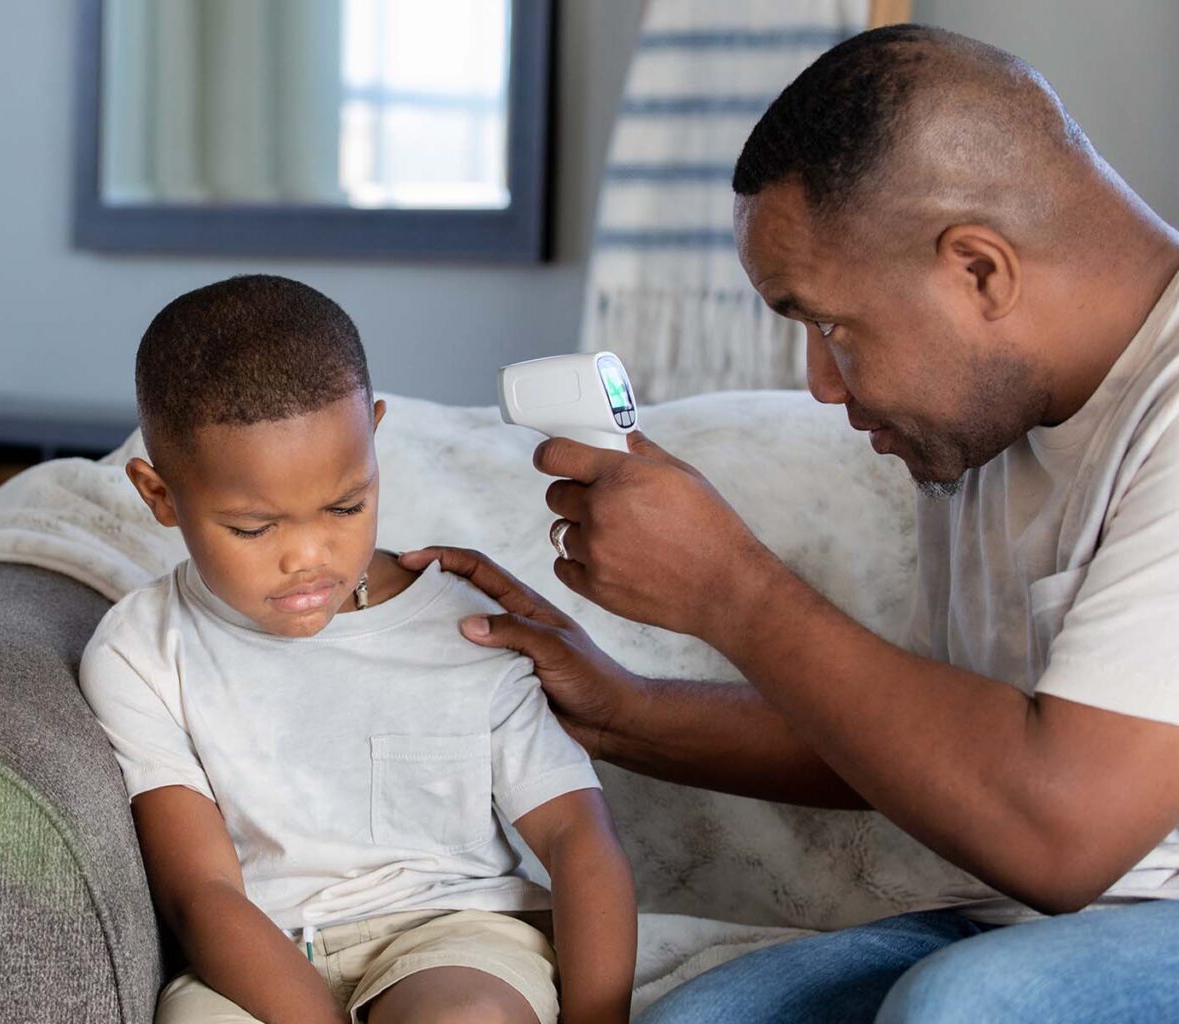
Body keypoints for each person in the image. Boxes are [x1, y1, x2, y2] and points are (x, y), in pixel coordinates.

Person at [400, 24, 1179, 1022]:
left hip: (1086, 921)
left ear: (978, 271)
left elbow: (1061, 834)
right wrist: (623, 706)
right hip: (1018, 922)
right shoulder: (988, 420)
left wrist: (731, 587)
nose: (819, 384)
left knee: (963, 1007)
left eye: (831, 325)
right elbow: (945, 751)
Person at [78, 275, 636, 1024]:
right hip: (259, 959)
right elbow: (200, 893)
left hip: (455, 939)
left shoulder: (467, 626)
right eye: (253, 528)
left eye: (345, 506)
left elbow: (576, 836)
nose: (309, 557)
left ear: (375, 435)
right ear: (160, 496)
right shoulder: (142, 650)